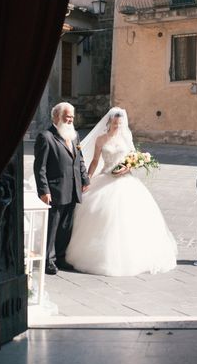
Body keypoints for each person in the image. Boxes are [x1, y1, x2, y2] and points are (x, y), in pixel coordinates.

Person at [65, 107, 177, 276]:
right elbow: (95, 161)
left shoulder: (126, 138)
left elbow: (133, 159)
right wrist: (87, 178)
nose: (117, 127)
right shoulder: (101, 139)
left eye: (120, 124)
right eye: (115, 124)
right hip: (106, 176)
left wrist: (127, 168)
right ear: (109, 122)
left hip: (126, 180)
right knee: (98, 213)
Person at [33, 102, 90, 275]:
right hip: (55, 190)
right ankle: (48, 261)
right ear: (57, 117)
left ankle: (61, 257)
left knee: (66, 227)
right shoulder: (46, 137)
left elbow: (79, 159)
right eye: (67, 117)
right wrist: (44, 191)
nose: (71, 120)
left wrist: (85, 179)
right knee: (53, 227)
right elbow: (39, 167)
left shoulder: (74, 136)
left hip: (73, 189)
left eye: (72, 117)